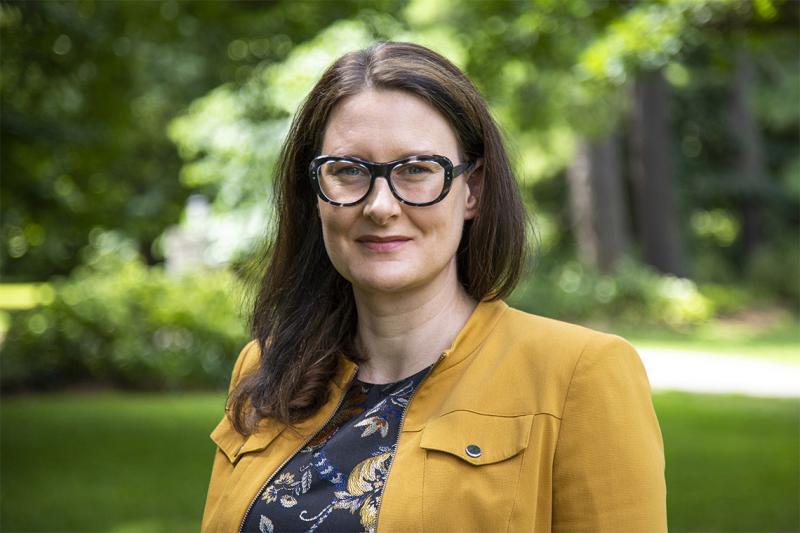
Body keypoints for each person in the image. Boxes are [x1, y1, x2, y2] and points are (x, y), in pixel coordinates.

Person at [202, 41, 667, 533]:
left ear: (473, 190)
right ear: (314, 192)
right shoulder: (268, 368)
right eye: (347, 171)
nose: (380, 206)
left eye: (417, 169)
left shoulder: (579, 376)